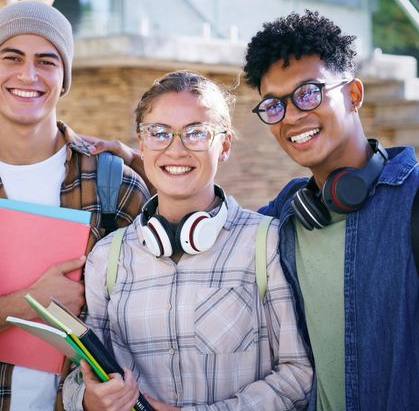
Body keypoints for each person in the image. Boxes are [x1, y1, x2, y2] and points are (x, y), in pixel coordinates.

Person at [243, 11, 419, 409]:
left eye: (308, 92)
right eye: (273, 105)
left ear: (354, 95)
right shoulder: (282, 221)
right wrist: (147, 167)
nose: (291, 115)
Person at [0, 0, 149, 410]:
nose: (28, 75)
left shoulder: (117, 186)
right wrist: (30, 301)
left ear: (64, 78)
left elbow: (146, 326)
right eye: (12, 57)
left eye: (46, 61)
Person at [61, 70, 312, 410]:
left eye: (196, 133)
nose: (175, 149)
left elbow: (297, 375)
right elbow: (81, 374)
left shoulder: (265, 242)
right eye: (159, 133)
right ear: (141, 142)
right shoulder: (107, 257)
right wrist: (89, 399)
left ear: (223, 145)